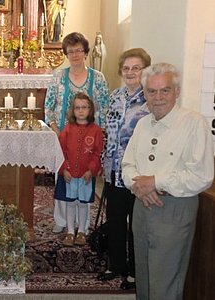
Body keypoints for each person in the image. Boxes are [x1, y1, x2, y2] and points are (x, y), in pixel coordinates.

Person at [122, 63, 214, 299]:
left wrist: (156, 182)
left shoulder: (194, 123)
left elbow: (201, 176)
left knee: (165, 287)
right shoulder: (142, 124)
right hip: (141, 209)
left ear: (177, 91)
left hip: (173, 211)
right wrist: (139, 185)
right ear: (145, 94)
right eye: (152, 91)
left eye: (165, 90)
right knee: (144, 283)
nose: (158, 97)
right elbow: (127, 165)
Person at [97, 48, 151, 290]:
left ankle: (134, 272)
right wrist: (102, 162)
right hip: (113, 171)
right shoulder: (115, 96)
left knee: (135, 225)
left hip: (137, 174)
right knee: (116, 220)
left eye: (136, 68)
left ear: (144, 70)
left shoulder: (150, 100)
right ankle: (116, 264)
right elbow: (107, 134)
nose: (130, 72)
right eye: (127, 68)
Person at [45, 32, 109, 234]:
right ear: (66, 53)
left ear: (85, 52)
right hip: (64, 138)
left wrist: (98, 135)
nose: (75, 54)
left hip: (88, 139)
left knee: (85, 179)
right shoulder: (58, 76)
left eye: (78, 50)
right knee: (64, 178)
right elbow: (49, 107)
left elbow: (104, 107)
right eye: (70, 51)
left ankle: (82, 225)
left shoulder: (97, 78)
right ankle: (62, 220)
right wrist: (56, 132)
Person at [55, 92, 104, 246]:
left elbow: (98, 152)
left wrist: (91, 170)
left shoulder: (96, 131)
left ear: (90, 110)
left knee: (83, 204)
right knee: (70, 203)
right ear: (72, 110)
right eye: (77, 108)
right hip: (70, 174)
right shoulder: (68, 129)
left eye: (84, 107)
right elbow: (61, 151)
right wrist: (64, 170)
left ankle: (81, 230)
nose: (81, 111)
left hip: (86, 176)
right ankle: (70, 231)